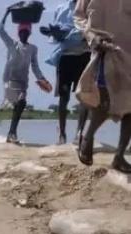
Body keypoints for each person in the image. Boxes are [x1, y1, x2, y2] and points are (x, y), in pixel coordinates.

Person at [74, 0, 131, 173]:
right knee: (103, 101)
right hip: (104, 48)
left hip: (129, 49)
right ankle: (87, 137)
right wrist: (91, 36)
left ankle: (119, 156)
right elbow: (79, 16)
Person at [43, 0, 91, 144]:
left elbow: (89, 32)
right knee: (63, 98)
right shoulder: (61, 8)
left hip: (84, 56)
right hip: (65, 57)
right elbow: (56, 36)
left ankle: (79, 133)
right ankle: (62, 135)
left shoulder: (88, 7)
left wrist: (70, 36)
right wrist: (51, 33)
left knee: (83, 97)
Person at [0, 10, 49, 144]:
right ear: (18, 33)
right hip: (9, 79)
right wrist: (6, 13)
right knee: (20, 103)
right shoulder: (12, 44)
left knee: (21, 104)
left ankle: (11, 133)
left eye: (26, 32)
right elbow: (1, 31)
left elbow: (35, 66)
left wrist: (42, 78)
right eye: (22, 32)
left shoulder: (33, 49)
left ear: (29, 33)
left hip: (23, 82)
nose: (24, 34)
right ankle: (12, 132)